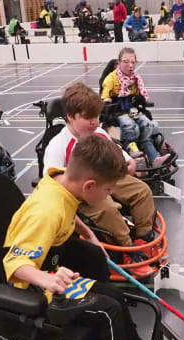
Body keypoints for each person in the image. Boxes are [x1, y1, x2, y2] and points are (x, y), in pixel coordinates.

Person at [4, 134, 184, 340]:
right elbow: (13, 265)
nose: (110, 196)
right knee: (106, 310)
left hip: (55, 275)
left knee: (113, 297)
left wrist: (88, 234)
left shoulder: (59, 181)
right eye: (108, 190)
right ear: (89, 186)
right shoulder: (46, 212)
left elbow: (68, 207)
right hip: (36, 293)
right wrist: (46, 279)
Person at [43, 83, 158, 278]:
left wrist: (128, 160)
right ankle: (128, 249)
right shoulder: (57, 145)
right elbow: (51, 182)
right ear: (70, 116)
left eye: (96, 116)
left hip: (105, 179)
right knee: (108, 209)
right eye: (88, 117)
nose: (94, 122)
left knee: (142, 191)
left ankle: (142, 238)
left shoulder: (100, 133)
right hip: (81, 192)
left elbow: (115, 149)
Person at [101, 48, 172, 168]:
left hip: (130, 110)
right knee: (131, 126)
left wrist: (141, 99)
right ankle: (133, 152)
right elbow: (105, 94)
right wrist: (106, 101)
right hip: (115, 115)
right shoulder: (111, 79)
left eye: (133, 62)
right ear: (119, 63)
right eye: (126, 62)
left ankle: (155, 157)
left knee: (148, 124)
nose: (130, 65)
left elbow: (140, 96)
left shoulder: (135, 79)